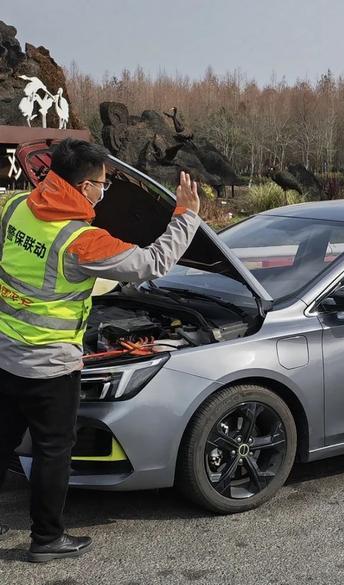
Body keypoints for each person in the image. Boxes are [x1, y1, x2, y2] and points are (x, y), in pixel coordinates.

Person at [0, 138, 200, 562]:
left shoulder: (15, 207)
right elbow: (152, 263)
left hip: (4, 351)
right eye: (103, 185)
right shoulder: (81, 240)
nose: (103, 192)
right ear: (83, 185)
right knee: (54, 450)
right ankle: (47, 539)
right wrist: (186, 215)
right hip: (49, 365)